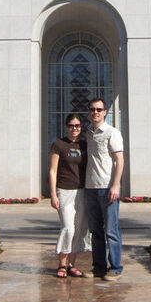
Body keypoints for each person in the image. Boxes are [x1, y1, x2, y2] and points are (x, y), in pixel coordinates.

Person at [85, 98, 124, 281]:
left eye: (99, 109)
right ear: (89, 112)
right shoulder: (88, 134)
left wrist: (116, 185)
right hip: (90, 188)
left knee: (111, 230)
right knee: (96, 231)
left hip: (107, 188)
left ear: (105, 112)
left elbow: (119, 160)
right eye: (92, 109)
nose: (96, 112)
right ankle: (98, 267)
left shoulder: (112, 132)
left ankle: (115, 267)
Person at [49, 113, 91, 278]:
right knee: (68, 227)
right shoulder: (59, 145)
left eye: (78, 126)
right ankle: (62, 264)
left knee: (79, 229)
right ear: (66, 127)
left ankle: (72, 265)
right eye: (72, 125)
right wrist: (53, 194)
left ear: (81, 128)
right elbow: (52, 171)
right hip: (64, 191)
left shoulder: (84, 145)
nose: (75, 128)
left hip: (82, 192)